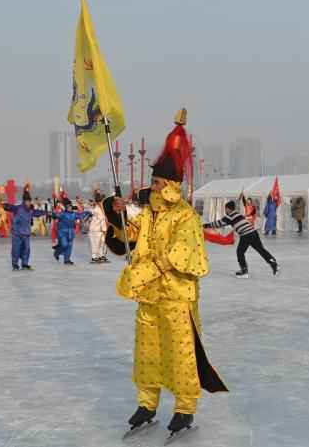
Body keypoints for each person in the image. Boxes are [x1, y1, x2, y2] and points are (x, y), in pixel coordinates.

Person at [105, 109, 228, 439]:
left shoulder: (184, 216)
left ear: (171, 184)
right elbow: (131, 235)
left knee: (180, 355)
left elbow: (177, 256)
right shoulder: (149, 213)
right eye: (153, 183)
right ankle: (147, 403)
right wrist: (116, 216)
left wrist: (141, 273)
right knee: (147, 353)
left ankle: (184, 408)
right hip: (149, 299)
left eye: (157, 182)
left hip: (176, 297)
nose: (153, 187)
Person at [204, 200, 280, 278]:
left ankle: (244, 271)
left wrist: (205, 226)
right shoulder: (238, 214)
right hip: (253, 232)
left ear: (228, 209)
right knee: (261, 250)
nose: (225, 211)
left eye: (225, 209)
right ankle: (274, 264)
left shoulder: (229, 216)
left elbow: (218, 224)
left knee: (240, 252)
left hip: (246, 235)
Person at [4, 184, 47, 270]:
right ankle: (15, 264)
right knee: (16, 249)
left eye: (29, 201)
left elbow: (37, 212)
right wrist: (5, 205)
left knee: (26, 249)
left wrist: (46, 212)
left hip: (26, 233)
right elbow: (10, 207)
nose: (28, 203)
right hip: (17, 233)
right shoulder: (18, 208)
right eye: (27, 201)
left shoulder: (31, 210)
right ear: (24, 201)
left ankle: (24, 263)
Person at [52, 198, 90, 265]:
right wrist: (54, 214)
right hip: (62, 232)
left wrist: (88, 213)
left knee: (69, 246)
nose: (70, 208)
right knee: (64, 245)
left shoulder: (74, 214)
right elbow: (56, 216)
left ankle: (67, 259)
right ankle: (57, 252)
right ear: (66, 207)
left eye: (70, 206)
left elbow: (81, 215)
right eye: (68, 207)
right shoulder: (62, 214)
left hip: (70, 232)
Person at [88, 192, 108, 263]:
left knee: (101, 242)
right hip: (95, 229)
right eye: (102, 201)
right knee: (95, 243)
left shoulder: (102, 209)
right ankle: (94, 256)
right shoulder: (97, 210)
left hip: (100, 229)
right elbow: (102, 220)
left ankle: (101, 255)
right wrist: (105, 230)